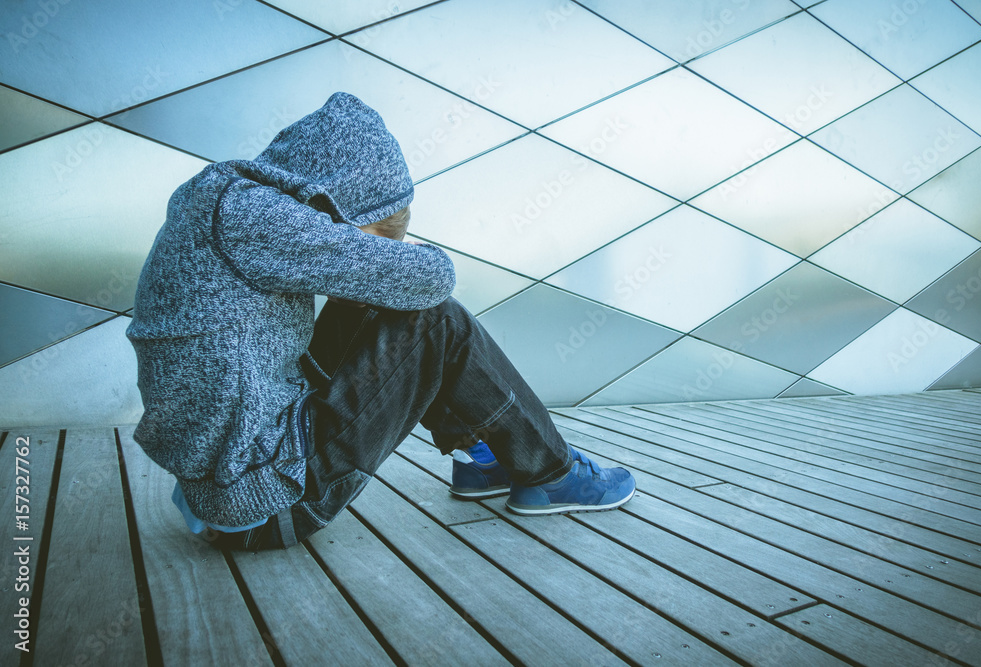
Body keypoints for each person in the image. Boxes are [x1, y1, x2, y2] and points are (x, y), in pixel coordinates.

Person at [127, 92, 635, 550]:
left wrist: (372, 259)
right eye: (369, 233)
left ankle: (482, 456)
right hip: (267, 498)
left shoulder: (223, 200)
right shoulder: (253, 216)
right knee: (434, 318)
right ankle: (552, 472)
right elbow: (434, 279)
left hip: (228, 481)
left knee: (372, 303)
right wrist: (381, 256)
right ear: (343, 194)